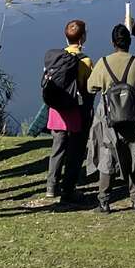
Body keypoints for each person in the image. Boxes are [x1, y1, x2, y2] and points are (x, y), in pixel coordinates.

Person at [86, 24, 135, 214]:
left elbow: (90, 87)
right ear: (129, 42)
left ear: (112, 42)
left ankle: (104, 201)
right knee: (134, 155)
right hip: (134, 117)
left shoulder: (103, 62)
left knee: (107, 155)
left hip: (109, 118)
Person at [46, 20, 93, 203]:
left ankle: (51, 186)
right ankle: (68, 189)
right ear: (82, 38)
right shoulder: (85, 61)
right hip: (75, 110)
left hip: (57, 110)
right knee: (75, 151)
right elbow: (88, 86)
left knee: (57, 148)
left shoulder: (56, 58)